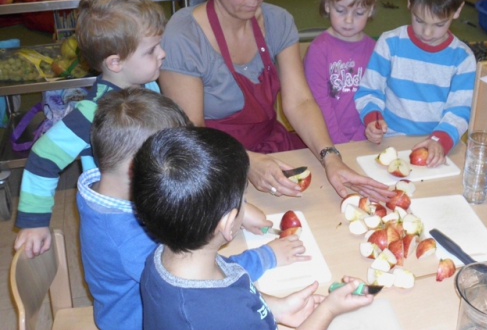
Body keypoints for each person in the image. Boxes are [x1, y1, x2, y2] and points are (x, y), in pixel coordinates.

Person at [159, 0, 391, 203]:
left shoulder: (278, 21)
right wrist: (247, 162)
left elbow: (301, 102)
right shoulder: (183, 37)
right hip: (213, 162)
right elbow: (191, 134)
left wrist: (330, 156)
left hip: (274, 148)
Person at [78, 88, 308, 329]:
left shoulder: (102, 191)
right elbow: (200, 275)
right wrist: (266, 257)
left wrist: (234, 206)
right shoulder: (125, 239)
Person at [132, 126, 375, 330]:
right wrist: (328, 311)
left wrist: (273, 308)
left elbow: (229, 281)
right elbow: (230, 309)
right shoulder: (228, 317)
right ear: (229, 224)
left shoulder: (160, 260)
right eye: (243, 198)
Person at [14, 0, 167, 258]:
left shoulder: (149, 87)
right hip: (120, 222)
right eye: (152, 50)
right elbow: (43, 157)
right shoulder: (94, 112)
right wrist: (34, 222)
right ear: (115, 63)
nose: (162, 54)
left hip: (153, 207)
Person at [355, 0, 476, 167]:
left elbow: (459, 111)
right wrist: (373, 119)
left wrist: (440, 140)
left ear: (457, 10)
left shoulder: (463, 59)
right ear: (409, 1)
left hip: (435, 145)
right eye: (419, 20)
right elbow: (369, 90)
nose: (427, 33)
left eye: (439, 24)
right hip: (389, 143)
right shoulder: (390, 43)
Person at [303, 0, 377, 144]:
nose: (349, 20)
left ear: (371, 9)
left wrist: (361, 136)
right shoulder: (318, 50)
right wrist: (339, 142)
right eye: (341, 10)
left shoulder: (376, 50)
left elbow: (378, 97)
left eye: (359, 13)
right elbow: (319, 104)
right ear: (328, 5)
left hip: (363, 140)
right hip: (325, 140)